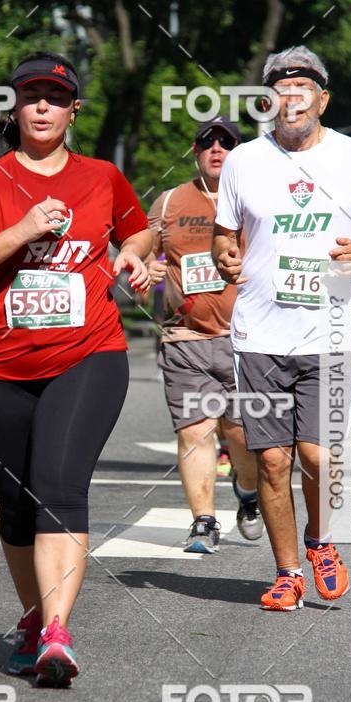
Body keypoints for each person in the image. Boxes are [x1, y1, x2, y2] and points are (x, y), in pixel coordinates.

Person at [0, 51, 152, 684]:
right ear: (16, 106)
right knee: (16, 502)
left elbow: (137, 232)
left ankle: (57, 633)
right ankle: (32, 617)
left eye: (55, 98)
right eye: (31, 95)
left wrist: (134, 256)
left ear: (72, 110)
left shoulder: (102, 177)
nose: (42, 106)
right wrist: (23, 228)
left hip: (89, 354)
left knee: (58, 486)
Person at [213, 45, 351, 610]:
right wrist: (224, 257)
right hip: (260, 333)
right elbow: (223, 234)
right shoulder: (242, 161)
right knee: (270, 459)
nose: (292, 96)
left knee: (318, 456)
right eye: (282, 87)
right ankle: (287, 571)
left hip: (329, 328)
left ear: (322, 98)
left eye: (303, 86)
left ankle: (321, 540)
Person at [147, 116, 262, 553]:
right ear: (196, 152)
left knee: (241, 436)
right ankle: (204, 522)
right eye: (207, 142)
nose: (217, 148)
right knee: (195, 431)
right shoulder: (171, 201)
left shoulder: (259, 199)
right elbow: (139, 242)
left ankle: (247, 494)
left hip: (248, 341)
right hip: (186, 341)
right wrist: (145, 263)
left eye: (227, 142)